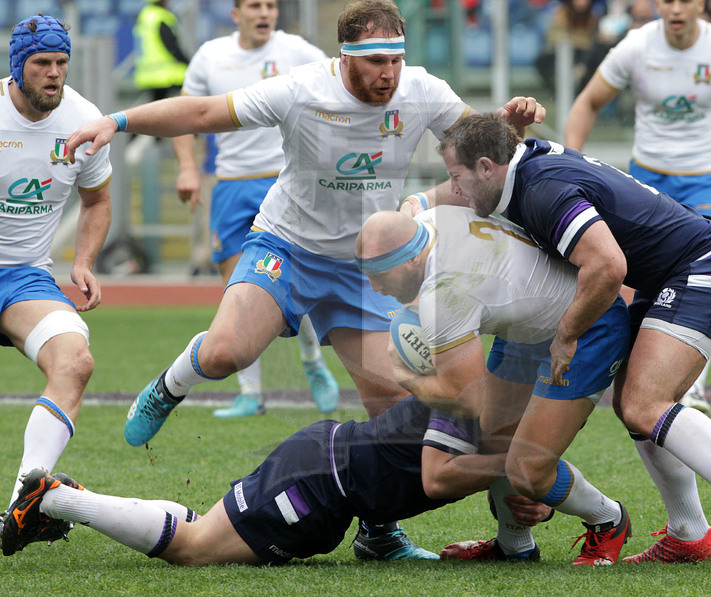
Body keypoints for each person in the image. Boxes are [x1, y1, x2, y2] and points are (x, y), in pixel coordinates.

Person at [65, 0, 545, 560]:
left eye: (395, 59)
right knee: (226, 354)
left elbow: (484, 146)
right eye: (374, 62)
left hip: (365, 267)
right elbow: (200, 115)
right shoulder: (300, 89)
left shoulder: (423, 90)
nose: (387, 74)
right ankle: (170, 385)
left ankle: (378, 532)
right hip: (286, 246)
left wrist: (508, 129)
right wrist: (117, 121)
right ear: (346, 57)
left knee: (390, 416)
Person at [426, 112, 711, 564]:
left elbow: (608, 266)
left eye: (456, 177)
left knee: (645, 403)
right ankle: (689, 532)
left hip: (707, 267)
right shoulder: (525, 169)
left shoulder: (541, 188)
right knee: (633, 408)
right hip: (669, 275)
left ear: (488, 166)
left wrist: (566, 335)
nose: (455, 189)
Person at [355, 206, 632, 565]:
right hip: (528, 327)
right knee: (493, 441)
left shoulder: (444, 293)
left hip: (586, 325)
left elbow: (467, 400)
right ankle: (514, 546)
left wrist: (405, 375)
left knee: (528, 464)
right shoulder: (428, 217)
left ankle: (608, 519)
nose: (374, 286)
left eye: (379, 273)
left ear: (410, 261)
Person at [563, 0, 711, 415]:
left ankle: (694, 387)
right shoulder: (635, 46)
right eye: (667, 0)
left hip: (708, 178)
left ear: (701, 3)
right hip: (647, 183)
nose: (676, 8)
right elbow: (588, 102)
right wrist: (569, 165)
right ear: (655, 5)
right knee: (644, 289)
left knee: (710, 271)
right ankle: (628, 374)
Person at [1, 395, 553, 564]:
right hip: (316, 488)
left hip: (322, 463)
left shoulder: (480, 379)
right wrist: (523, 477)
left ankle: (64, 498)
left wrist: (525, 497)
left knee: (204, 528)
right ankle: (57, 500)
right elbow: (438, 477)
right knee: (193, 548)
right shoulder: (481, 398)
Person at [173, 0, 339, 417]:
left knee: (286, 283)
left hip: (283, 181)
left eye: (270, 5)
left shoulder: (297, 51)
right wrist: (188, 168)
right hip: (230, 185)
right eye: (254, 5)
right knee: (238, 289)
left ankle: (313, 363)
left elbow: (339, 88)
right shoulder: (211, 56)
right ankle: (251, 394)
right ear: (236, 14)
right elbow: (184, 114)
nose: (264, 12)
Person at [0, 15, 113, 529]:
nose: (53, 74)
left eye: (61, 63)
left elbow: (98, 200)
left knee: (75, 360)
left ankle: (23, 505)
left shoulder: (85, 120)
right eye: (41, 63)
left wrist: (84, 261)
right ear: (17, 66)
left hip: (23, 278)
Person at [133, 0, 190, 102]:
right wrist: (188, 62)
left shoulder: (144, 16)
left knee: (156, 110)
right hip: (166, 74)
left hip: (147, 73)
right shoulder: (161, 17)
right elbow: (171, 46)